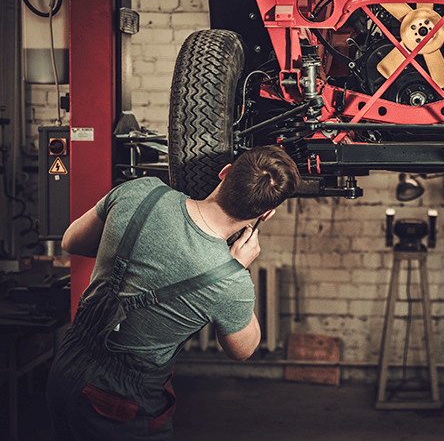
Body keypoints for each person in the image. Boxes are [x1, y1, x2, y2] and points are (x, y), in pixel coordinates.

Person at [46, 145, 301, 440]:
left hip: (67, 364)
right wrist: (237, 268)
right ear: (266, 214)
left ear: (225, 172)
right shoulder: (228, 280)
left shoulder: (140, 191)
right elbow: (244, 349)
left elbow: (71, 241)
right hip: (118, 400)